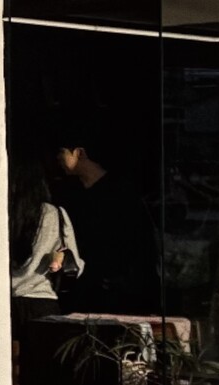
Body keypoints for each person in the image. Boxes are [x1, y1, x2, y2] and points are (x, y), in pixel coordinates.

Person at [54, 137, 160, 314]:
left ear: (79, 153)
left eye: (62, 152)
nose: (57, 158)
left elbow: (139, 241)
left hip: (117, 288)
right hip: (85, 284)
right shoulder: (71, 193)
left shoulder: (121, 192)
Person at [9, 154, 83, 336]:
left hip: (5, 304)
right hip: (42, 303)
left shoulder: (2, 215)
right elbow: (75, 265)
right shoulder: (55, 214)